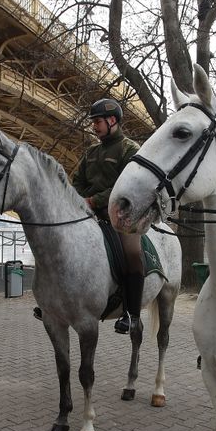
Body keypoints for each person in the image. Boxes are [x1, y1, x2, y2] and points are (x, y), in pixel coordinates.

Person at [71, 98, 144, 333]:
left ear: (112, 121)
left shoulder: (130, 149)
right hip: (88, 213)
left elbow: (124, 185)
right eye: (93, 121)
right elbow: (77, 182)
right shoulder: (91, 152)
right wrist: (77, 200)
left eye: (98, 121)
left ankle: (132, 315)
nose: (94, 126)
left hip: (120, 214)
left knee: (131, 253)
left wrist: (94, 200)